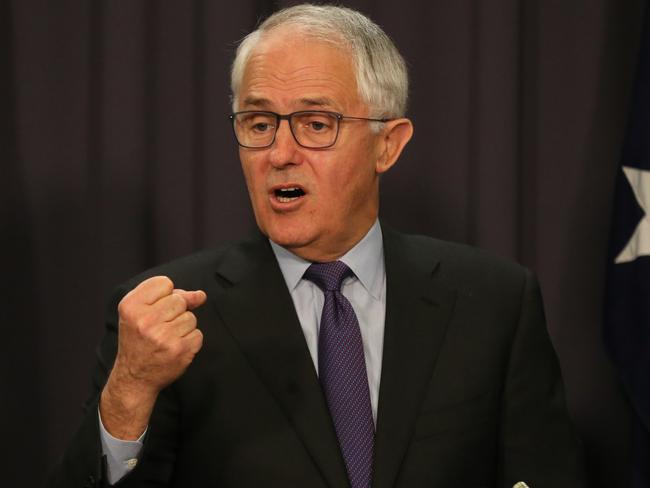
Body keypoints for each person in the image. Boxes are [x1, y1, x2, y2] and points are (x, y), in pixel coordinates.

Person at [49, 4, 586, 488]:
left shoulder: (494, 302)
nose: (280, 152)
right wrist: (129, 393)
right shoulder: (168, 316)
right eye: (259, 123)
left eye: (315, 124)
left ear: (388, 144)